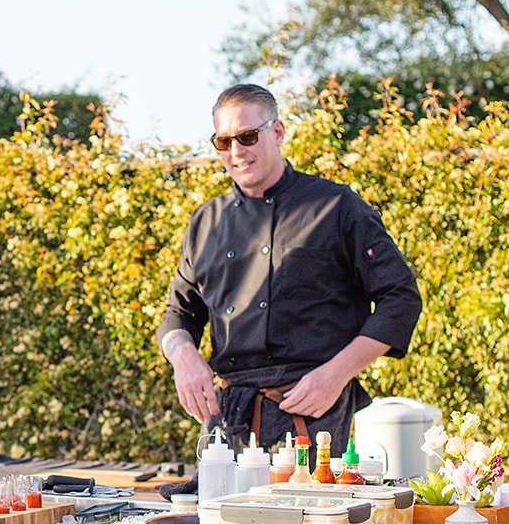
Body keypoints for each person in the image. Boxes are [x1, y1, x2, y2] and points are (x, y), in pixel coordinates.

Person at [156, 84, 422, 457]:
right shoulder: (205, 222)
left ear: (278, 131)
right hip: (230, 415)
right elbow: (179, 314)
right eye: (224, 141)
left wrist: (337, 374)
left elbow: (401, 299)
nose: (236, 151)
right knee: (219, 515)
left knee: (307, 516)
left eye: (247, 136)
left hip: (311, 411)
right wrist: (183, 356)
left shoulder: (335, 206)